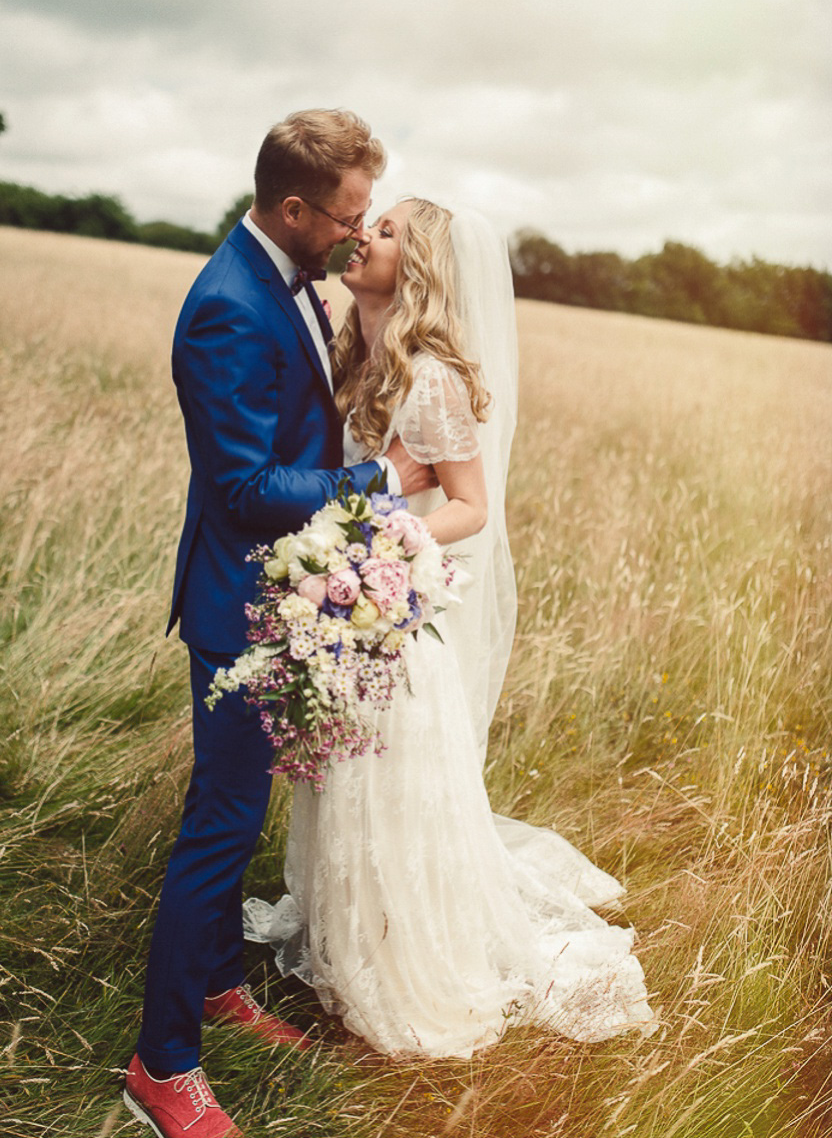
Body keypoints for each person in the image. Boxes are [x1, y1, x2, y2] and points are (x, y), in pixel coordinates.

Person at [244, 197, 656, 1057]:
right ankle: (347, 935)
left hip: (386, 608)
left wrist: (378, 548)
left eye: (387, 232)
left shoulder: (429, 377)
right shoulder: (353, 356)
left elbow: (469, 505)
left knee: (384, 791)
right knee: (341, 786)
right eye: (369, 223)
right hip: (348, 605)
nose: (365, 235)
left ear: (421, 268)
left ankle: (399, 959)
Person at [123, 111, 436, 1138]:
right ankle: (161, 1063)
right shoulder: (228, 305)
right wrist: (373, 484)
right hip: (237, 607)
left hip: (276, 598)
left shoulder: (289, 280)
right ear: (292, 207)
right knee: (218, 828)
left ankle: (218, 985)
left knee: (238, 810)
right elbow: (247, 487)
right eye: (344, 216)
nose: (357, 235)